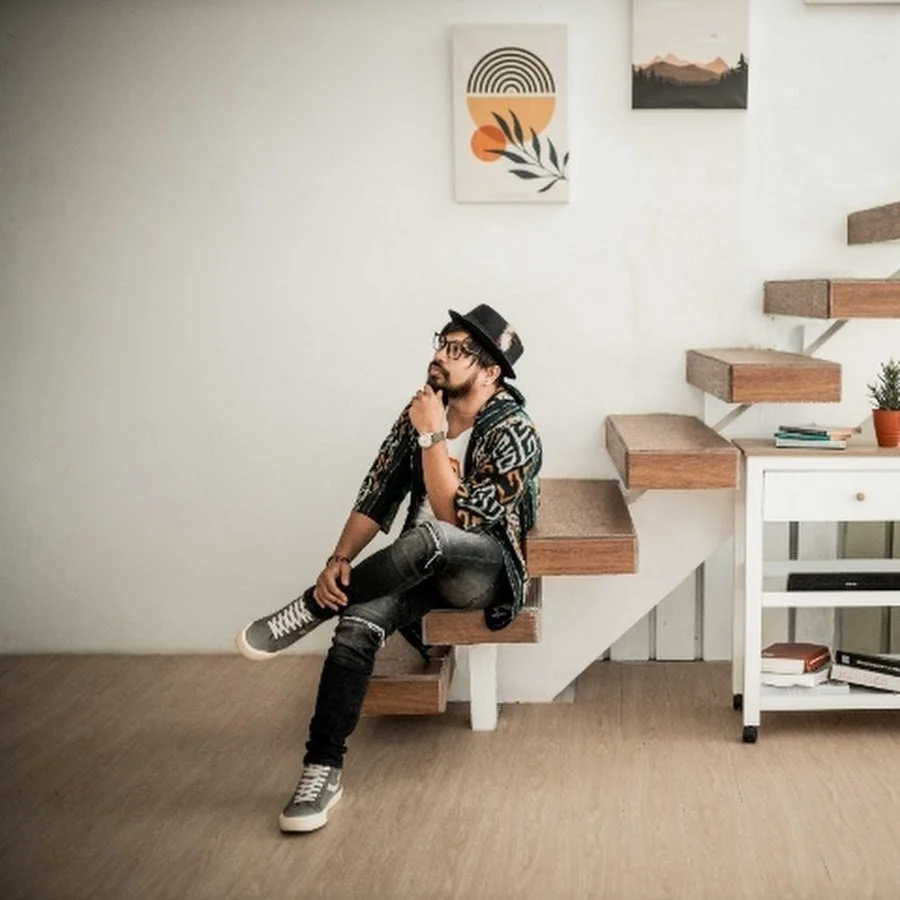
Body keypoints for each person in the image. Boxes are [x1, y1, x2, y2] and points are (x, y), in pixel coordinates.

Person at [236, 304, 542, 833]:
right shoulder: (424, 408)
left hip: (482, 570)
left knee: (436, 536)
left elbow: (458, 518)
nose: (440, 357)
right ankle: (321, 771)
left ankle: (311, 607)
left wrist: (433, 439)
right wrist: (338, 561)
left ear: (490, 371)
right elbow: (378, 493)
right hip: (413, 563)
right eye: (441, 343)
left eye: (458, 350)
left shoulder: (516, 432)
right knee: (355, 630)